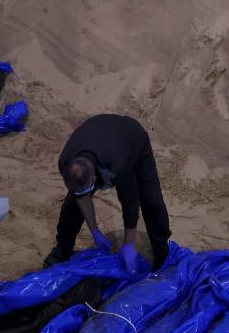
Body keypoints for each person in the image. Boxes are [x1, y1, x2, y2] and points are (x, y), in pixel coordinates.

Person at [45, 114, 172, 270]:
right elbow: (80, 197)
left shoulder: (118, 165)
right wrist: (95, 231)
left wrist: (129, 244)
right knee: (71, 206)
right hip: (99, 131)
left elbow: (130, 203)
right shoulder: (65, 161)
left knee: (152, 202)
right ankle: (62, 250)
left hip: (134, 138)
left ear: (93, 178)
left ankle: (162, 253)